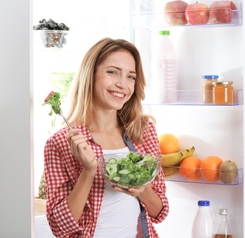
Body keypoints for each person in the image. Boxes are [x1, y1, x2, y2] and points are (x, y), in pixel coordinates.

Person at [43, 38, 169, 237]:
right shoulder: (62, 142)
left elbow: (160, 212)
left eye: (131, 77)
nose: (122, 84)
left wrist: (141, 189)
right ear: (90, 75)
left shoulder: (142, 132)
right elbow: (60, 227)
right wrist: (88, 170)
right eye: (113, 72)